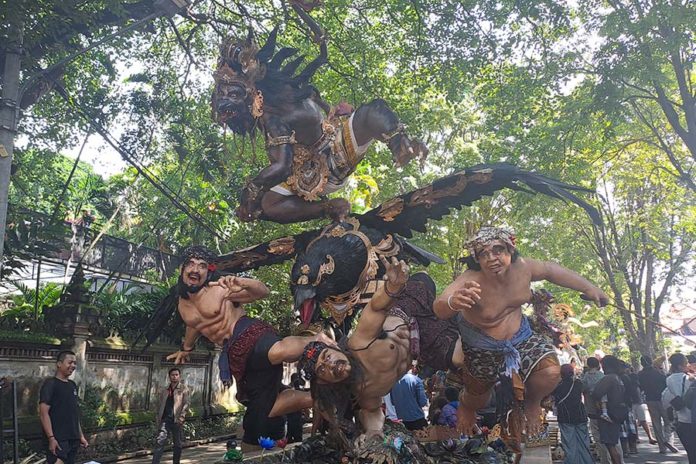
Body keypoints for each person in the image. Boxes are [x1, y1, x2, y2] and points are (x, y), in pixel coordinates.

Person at [433, 226, 609, 438]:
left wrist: (589, 287)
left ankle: (532, 403)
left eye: (497, 250)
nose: (492, 258)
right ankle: (467, 406)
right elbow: (439, 307)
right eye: (484, 254)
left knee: (551, 371)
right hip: (481, 345)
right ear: (477, 259)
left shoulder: (523, 267)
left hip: (520, 337)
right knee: (479, 398)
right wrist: (453, 302)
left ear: (510, 249)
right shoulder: (471, 279)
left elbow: (551, 270)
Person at [164, 245, 334, 447]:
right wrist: (186, 348)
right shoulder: (182, 305)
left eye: (201, 266)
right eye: (191, 264)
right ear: (182, 269)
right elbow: (193, 325)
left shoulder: (219, 289)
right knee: (264, 406)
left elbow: (263, 291)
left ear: (207, 271)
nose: (195, 269)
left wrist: (243, 282)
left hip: (248, 332)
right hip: (234, 355)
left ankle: (316, 340)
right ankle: (320, 397)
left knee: (276, 351)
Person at [298, 258, 467, 440]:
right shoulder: (365, 392)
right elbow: (373, 412)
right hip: (425, 343)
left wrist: (391, 287)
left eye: (327, 356)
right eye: (322, 369)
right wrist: (374, 431)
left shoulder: (359, 344)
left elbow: (375, 308)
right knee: (462, 358)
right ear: (325, 382)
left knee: (424, 279)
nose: (330, 364)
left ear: (335, 348)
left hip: (409, 309)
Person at [38, 351, 89, 464]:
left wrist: (80, 436)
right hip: (58, 438)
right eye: (70, 362)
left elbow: (74, 413)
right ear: (59, 364)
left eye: (75, 363)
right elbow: (43, 413)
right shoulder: (50, 384)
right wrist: (51, 438)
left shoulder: (72, 385)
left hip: (73, 437)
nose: (73, 366)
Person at [592, 355, 629, 464]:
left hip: (609, 413)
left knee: (611, 445)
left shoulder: (609, 378)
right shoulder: (618, 378)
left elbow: (596, 393)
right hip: (617, 412)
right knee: (614, 443)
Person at [553, 364, 593, 464]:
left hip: (565, 417)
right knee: (583, 443)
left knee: (569, 444)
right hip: (580, 416)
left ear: (561, 374)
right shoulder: (578, 383)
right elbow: (586, 389)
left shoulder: (558, 386)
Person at [638, 355, 677, 453]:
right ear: (651, 362)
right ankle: (668, 441)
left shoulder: (640, 374)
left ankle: (662, 447)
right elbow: (665, 382)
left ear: (642, 364)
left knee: (656, 424)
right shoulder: (657, 372)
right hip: (661, 399)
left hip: (650, 399)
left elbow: (640, 387)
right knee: (668, 421)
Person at [151, 368, 189, 464]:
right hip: (165, 419)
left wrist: (182, 417)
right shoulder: (165, 389)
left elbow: (186, 404)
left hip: (176, 420)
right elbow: (159, 404)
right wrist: (158, 417)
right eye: (172, 375)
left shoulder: (183, 389)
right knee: (160, 441)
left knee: (177, 444)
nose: (174, 377)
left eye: (176, 375)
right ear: (169, 376)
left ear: (179, 376)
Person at [663, 353, 695, 463]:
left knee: (691, 452)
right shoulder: (690, 379)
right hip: (692, 417)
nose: (688, 365)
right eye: (686, 363)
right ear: (680, 366)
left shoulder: (669, 379)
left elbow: (666, 398)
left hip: (681, 420)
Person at [581, 357, 610, 464]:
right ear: (598, 364)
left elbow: (582, 389)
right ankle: (612, 458)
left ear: (588, 365)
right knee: (608, 436)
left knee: (597, 437)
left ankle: (604, 459)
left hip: (592, 410)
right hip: (605, 409)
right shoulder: (602, 376)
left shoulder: (585, 377)